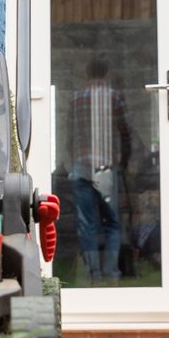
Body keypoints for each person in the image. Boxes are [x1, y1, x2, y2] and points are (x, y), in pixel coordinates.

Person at [64, 58, 132, 284]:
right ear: (106, 74)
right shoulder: (115, 97)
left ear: (87, 74)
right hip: (106, 167)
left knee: (87, 224)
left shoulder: (75, 99)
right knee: (112, 222)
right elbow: (125, 132)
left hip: (81, 167)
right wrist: (125, 162)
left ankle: (92, 274)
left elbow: (69, 135)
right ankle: (111, 273)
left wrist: (70, 161)